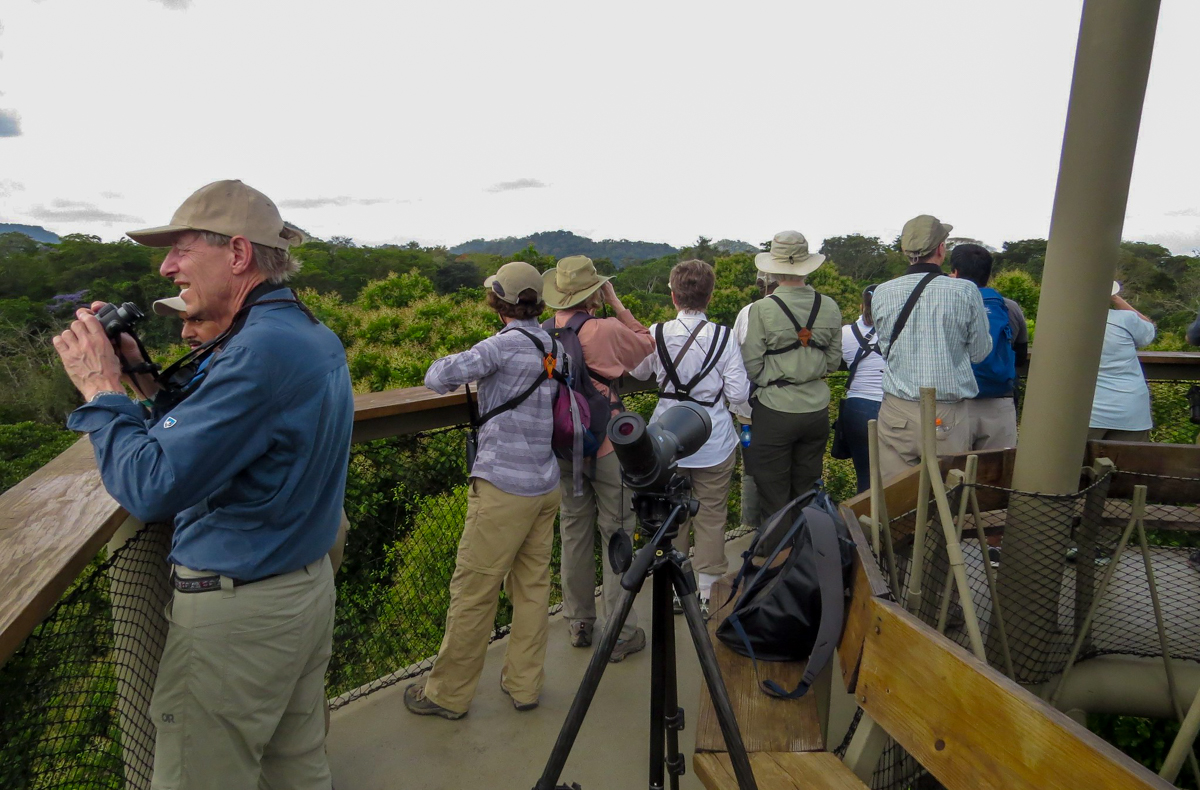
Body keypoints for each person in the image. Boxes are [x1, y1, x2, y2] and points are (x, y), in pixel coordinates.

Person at [51, 179, 352, 790]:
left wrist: (100, 387)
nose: (166, 267)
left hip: (241, 618)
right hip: (300, 591)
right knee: (296, 766)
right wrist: (140, 376)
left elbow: (151, 485)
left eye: (181, 249)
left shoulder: (258, 351)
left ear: (237, 254)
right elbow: (225, 431)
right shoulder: (301, 334)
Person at [404, 262, 563, 719]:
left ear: (498, 301)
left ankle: (447, 694)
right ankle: (524, 685)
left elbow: (439, 377)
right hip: (545, 482)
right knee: (532, 588)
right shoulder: (553, 346)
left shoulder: (500, 347)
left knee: (475, 590)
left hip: (503, 488)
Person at [543, 255, 654, 660]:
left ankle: (578, 621)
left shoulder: (543, 333)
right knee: (618, 530)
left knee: (573, 529)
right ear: (594, 291)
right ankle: (620, 631)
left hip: (563, 443)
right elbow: (646, 346)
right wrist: (619, 305)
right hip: (606, 441)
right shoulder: (605, 329)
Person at [630, 259, 751, 613]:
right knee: (711, 515)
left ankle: (673, 588)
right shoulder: (724, 337)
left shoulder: (657, 333)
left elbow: (638, 371)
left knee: (670, 513)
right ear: (710, 295)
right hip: (713, 437)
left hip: (666, 439)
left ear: (673, 296)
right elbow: (739, 392)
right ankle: (707, 590)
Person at [871, 215, 992, 480]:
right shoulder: (965, 291)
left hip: (896, 410)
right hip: (946, 412)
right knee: (945, 497)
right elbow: (980, 352)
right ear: (941, 249)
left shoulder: (882, 292)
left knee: (896, 498)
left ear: (905, 251)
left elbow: (884, 348)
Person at [741, 231, 843, 535]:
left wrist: (773, 377)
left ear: (773, 267)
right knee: (807, 490)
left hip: (774, 407)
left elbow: (752, 364)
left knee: (773, 496)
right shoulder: (830, 306)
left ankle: (776, 566)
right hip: (816, 408)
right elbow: (834, 361)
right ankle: (807, 559)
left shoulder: (762, 309)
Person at [949, 244, 1029, 450]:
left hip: (955, 402)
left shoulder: (946, 305)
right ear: (989, 273)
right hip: (999, 399)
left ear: (955, 272)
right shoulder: (1008, 306)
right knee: (996, 474)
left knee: (951, 474)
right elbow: (1020, 355)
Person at [731, 272, 778, 531]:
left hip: (748, 409)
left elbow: (738, 354)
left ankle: (749, 527)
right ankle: (781, 528)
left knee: (751, 467)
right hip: (786, 407)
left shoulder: (748, 312)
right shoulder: (803, 310)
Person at [1088, 282, 1156, 441]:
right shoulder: (1126, 319)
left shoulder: (1067, 322)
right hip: (1130, 409)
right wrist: (1115, 298)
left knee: (1076, 465)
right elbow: (1149, 330)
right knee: (1129, 463)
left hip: (1085, 411)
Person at [839, 284, 885, 493]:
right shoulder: (895, 332)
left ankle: (865, 522)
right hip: (890, 404)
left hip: (856, 405)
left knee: (864, 475)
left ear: (861, 306)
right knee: (894, 474)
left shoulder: (845, 333)